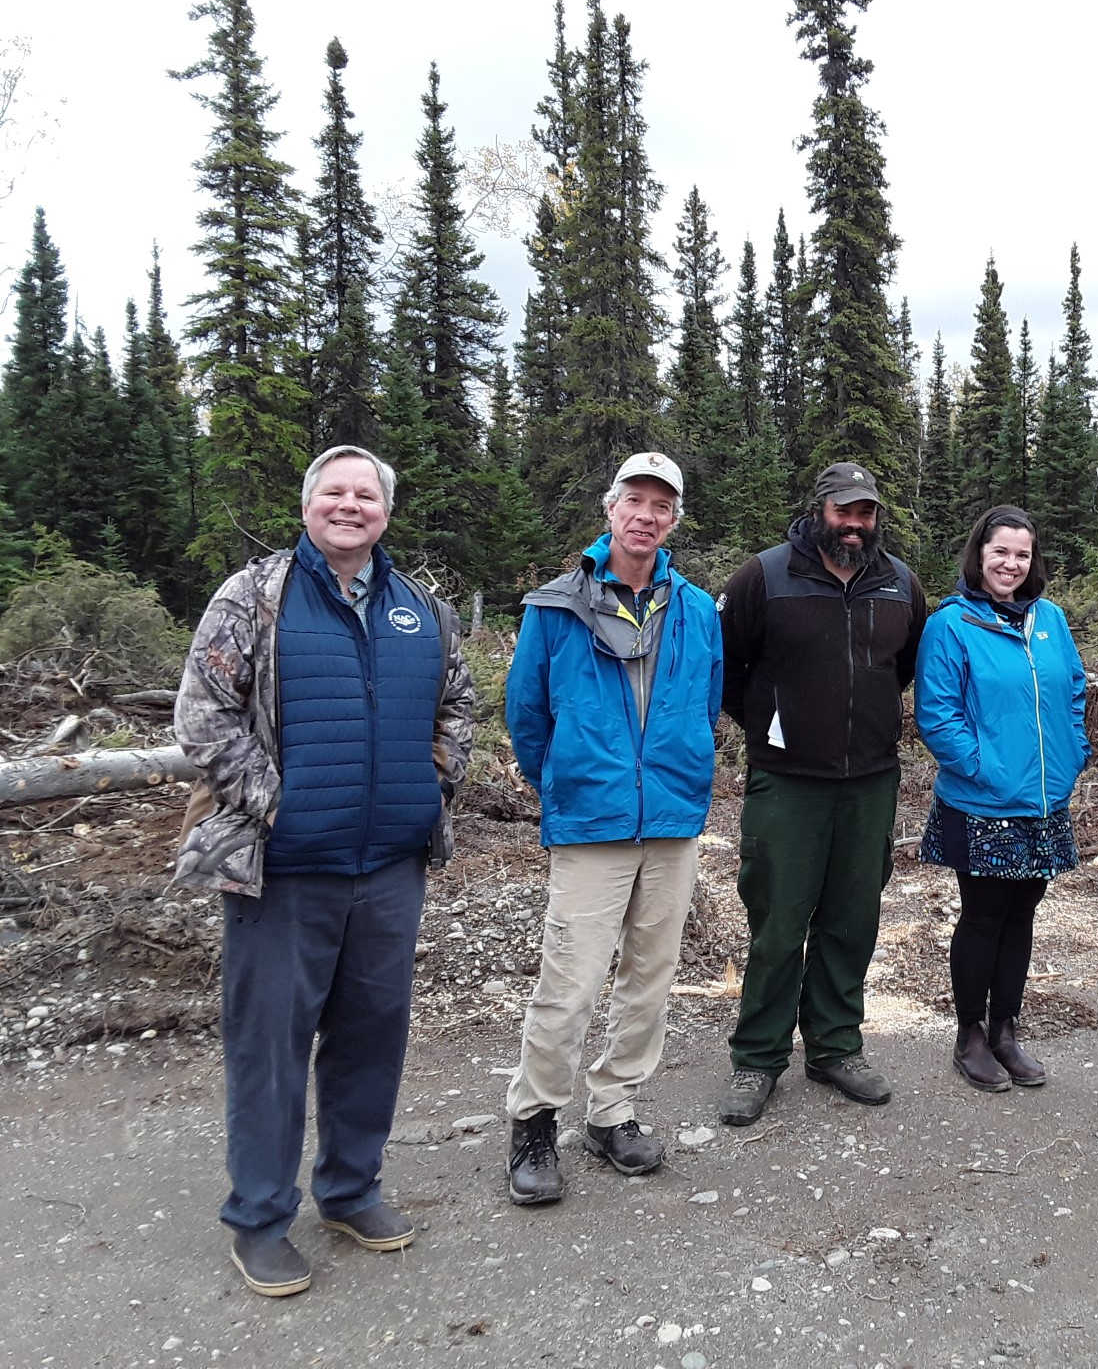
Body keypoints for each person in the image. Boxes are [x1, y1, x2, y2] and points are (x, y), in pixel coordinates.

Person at [174, 445, 475, 1298]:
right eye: (334, 493)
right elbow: (202, 713)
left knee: (372, 1038)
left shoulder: (422, 608)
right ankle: (261, 1218)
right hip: (283, 870)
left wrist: (433, 784)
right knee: (269, 1049)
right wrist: (276, 803)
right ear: (309, 506)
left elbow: (458, 704)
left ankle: (350, 1191)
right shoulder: (255, 597)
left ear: (385, 510)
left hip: (388, 868)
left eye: (366, 494)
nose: (351, 506)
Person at [501, 452, 723, 1205]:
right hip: (590, 824)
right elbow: (527, 716)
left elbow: (706, 703)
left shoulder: (695, 609)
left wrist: (686, 771)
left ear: (674, 522)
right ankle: (534, 1120)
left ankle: (613, 1109)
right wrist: (567, 780)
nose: (646, 515)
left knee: (649, 981)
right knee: (569, 983)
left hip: (670, 820)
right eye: (635, 500)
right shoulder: (555, 606)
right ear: (610, 509)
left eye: (662, 505)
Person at [714, 462, 929, 1126]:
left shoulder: (899, 583)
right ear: (820, 511)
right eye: (844, 511)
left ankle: (836, 1047)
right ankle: (758, 1058)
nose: (855, 524)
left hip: (870, 780)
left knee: (852, 918)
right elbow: (727, 668)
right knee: (778, 922)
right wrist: (771, 728)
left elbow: (906, 667)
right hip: (787, 783)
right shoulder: (764, 576)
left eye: (865, 513)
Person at [914, 506, 1091, 1092]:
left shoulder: (1050, 619)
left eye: (1022, 554)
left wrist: (1072, 753)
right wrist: (984, 768)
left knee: (1022, 915)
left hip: (1044, 800)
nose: (1011, 564)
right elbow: (937, 715)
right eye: (1000, 553)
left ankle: (1006, 1031)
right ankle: (970, 1036)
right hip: (983, 801)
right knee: (984, 916)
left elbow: (1072, 690)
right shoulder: (951, 625)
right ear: (979, 555)